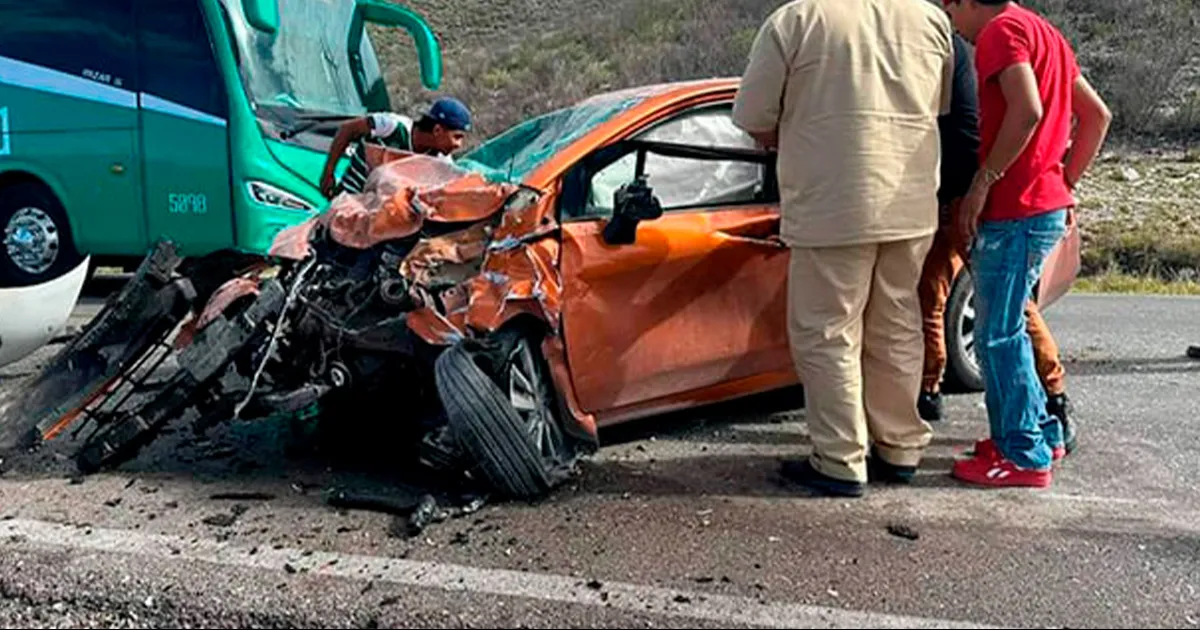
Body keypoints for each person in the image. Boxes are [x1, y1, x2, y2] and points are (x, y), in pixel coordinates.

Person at [732, 0, 955, 497]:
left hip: (832, 204)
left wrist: (798, 133)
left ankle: (839, 459)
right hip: (910, 199)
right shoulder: (929, 18)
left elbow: (753, 117)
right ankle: (900, 447)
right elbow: (934, 106)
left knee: (828, 332)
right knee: (896, 326)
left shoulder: (797, 19)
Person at [942, 0, 1111, 488]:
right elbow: (1096, 116)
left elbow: (1028, 108)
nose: (957, 29)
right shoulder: (1045, 31)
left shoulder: (1000, 32)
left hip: (1015, 210)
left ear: (966, 2)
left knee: (998, 335)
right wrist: (1064, 182)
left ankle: (1022, 454)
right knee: (1008, 327)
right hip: (1042, 205)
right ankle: (1038, 432)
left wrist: (983, 181)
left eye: (952, 14)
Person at [917, 29, 1076, 458]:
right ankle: (930, 388)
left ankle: (1048, 406)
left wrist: (982, 184)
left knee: (1004, 316)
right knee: (935, 295)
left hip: (966, 197)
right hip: (949, 196)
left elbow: (1026, 113)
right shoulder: (962, 48)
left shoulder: (971, 47)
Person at [318, 96, 474, 198]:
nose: (458, 145)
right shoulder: (392, 126)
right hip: (348, 198)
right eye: (457, 137)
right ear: (437, 130)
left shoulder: (440, 160)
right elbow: (347, 129)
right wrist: (328, 172)